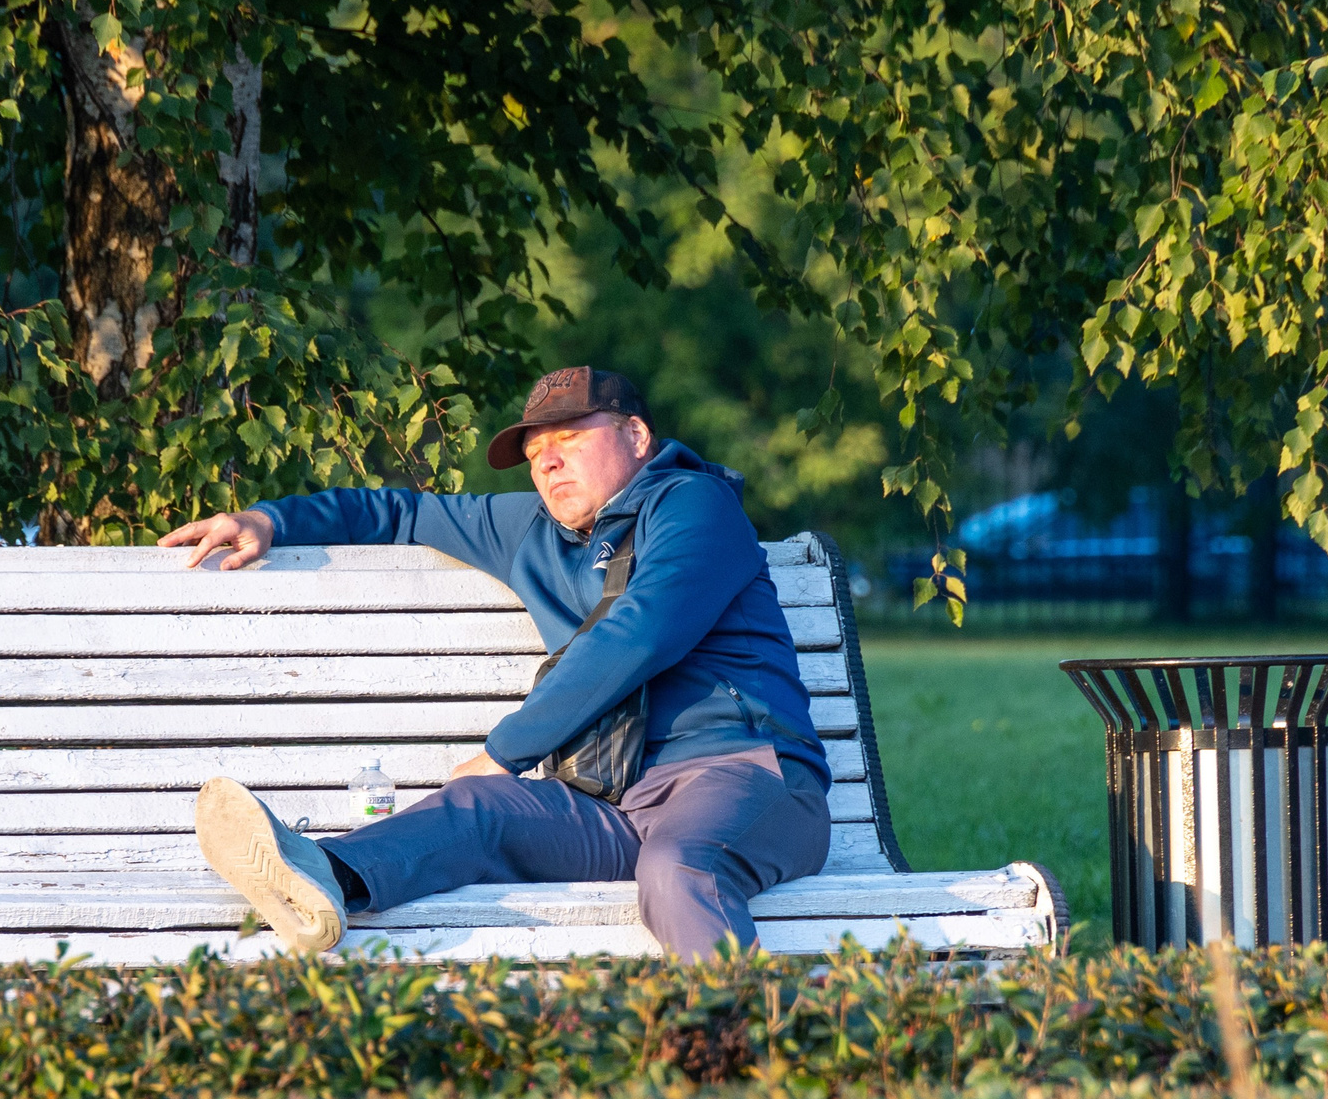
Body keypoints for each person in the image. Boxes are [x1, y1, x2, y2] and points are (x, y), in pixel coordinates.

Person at [156, 366, 831, 959]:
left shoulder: (694, 505)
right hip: (619, 805)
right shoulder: (529, 532)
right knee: (480, 806)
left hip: (747, 780)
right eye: (536, 452)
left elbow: (639, 634)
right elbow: (399, 514)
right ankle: (321, 878)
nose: (548, 463)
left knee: (683, 865)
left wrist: (506, 749)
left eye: (570, 438)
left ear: (636, 436)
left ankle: (741, 1058)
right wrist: (271, 521)